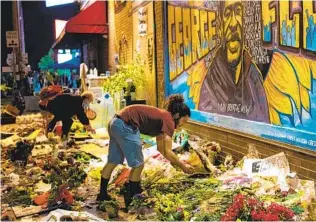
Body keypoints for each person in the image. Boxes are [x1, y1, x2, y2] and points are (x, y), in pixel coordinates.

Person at [97, 94, 195, 206]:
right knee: (138, 165)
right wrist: (183, 166)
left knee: (113, 161)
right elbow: (168, 151)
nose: (183, 124)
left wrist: (179, 164)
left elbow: (161, 149)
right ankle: (133, 199)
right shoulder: (169, 120)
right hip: (126, 125)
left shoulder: (163, 117)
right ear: (177, 115)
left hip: (115, 122)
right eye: (184, 120)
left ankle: (102, 195)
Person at [198, 0, 269, 123]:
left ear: (245, 23)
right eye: (227, 14)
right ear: (220, 27)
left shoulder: (254, 78)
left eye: (238, 12)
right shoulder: (211, 81)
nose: (233, 23)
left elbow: (265, 125)